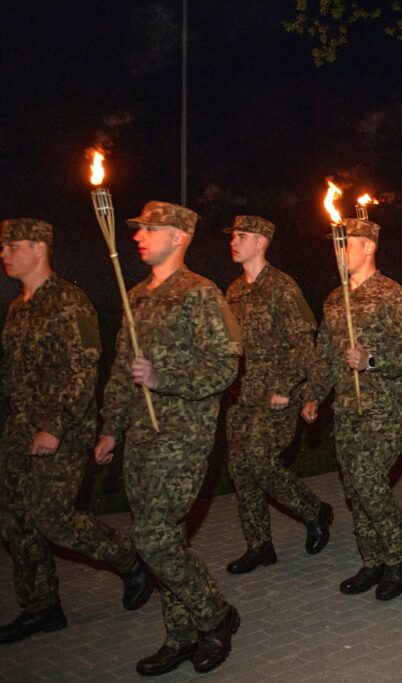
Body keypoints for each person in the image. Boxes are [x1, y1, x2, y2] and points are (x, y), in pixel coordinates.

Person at [94, 201, 242, 675]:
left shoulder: (201, 294)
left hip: (183, 435)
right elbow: (122, 369)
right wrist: (110, 428)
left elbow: (224, 367)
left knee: (153, 538)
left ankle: (215, 614)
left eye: (151, 229)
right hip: (140, 435)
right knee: (167, 537)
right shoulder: (135, 294)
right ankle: (181, 634)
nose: (139, 235)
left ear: (179, 237)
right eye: (138, 228)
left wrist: (163, 378)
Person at [0, 219, 151, 645]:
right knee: (14, 521)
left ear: (39, 247)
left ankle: (127, 559)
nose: (4, 253)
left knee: (53, 517)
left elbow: (83, 369)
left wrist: (55, 427)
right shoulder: (18, 307)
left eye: (12, 245)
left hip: (61, 431)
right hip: (19, 429)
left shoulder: (69, 302)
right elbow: (12, 375)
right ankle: (41, 606)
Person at [302, 218, 402, 600]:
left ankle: (397, 557)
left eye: (346, 244)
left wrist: (371, 360)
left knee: (369, 482)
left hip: (383, 408)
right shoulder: (335, 299)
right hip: (346, 408)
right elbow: (324, 354)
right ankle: (371, 559)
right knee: (354, 489)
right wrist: (312, 394)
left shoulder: (392, 295)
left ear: (368, 247)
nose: (339, 253)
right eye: (336, 246)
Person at [221, 215, 332, 575]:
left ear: (261, 241)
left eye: (242, 236)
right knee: (240, 471)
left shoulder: (282, 287)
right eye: (233, 236)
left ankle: (312, 509)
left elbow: (304, 342)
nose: (234, 241)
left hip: (276, 396)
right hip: (242, 397)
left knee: (260, 461)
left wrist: (286, 387)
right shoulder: (234, 290)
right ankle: (259, 545)